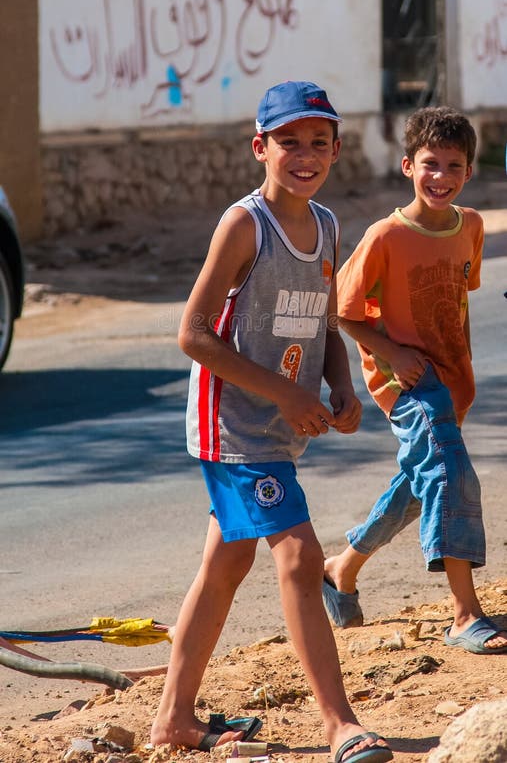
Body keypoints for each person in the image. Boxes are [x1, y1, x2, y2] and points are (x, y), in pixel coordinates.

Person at [150, 81, 394, 763]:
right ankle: (339, 723)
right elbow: (193, 335)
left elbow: (324, 329)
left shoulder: (326, 227)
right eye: (288, 141)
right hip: (232, 423)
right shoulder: (243, 224)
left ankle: (171, 721)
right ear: (260, 148)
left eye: (318, 142)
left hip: (275, 428)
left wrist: (340, 389)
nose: (304, 154)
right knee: (300, 555)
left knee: (225, 567)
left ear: (337, 151)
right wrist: (286, 395)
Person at [323, 105, 507, 656]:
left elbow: (456, 298)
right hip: (408, 382)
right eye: (430, 163)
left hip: (453, 381)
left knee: (419, 482)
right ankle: (464, 613)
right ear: (407, 165)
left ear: (469, 172)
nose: (441, 177)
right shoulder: (385, 236)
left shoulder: (471, 227)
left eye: (454, 165)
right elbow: (344, 311)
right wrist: (391, 353)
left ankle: (340, 567)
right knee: (453, 477)